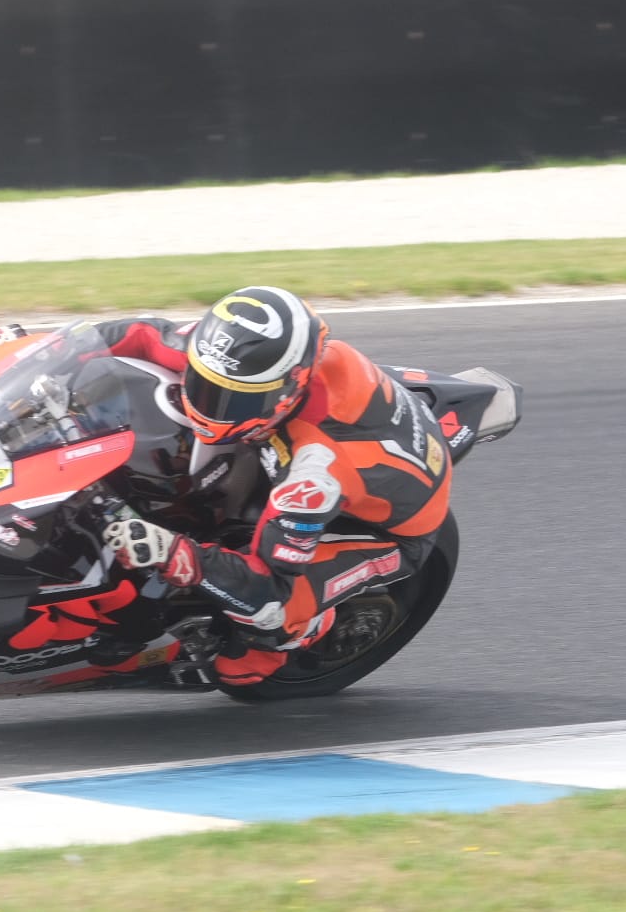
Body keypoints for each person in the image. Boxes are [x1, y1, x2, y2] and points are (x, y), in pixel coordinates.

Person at [93, 287, 453, 686]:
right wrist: (48, 346)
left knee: (263, 629)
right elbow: (143, 335)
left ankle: (304, 632)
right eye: (202, 383)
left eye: (233, 400)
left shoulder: (314, 475)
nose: (208, 406)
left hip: (388, 532)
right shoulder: (231, 359)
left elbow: (267, 586)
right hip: (329, 438)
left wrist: (176, 553)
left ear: (286, 391)